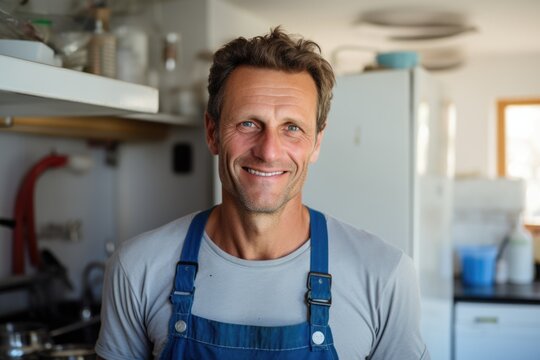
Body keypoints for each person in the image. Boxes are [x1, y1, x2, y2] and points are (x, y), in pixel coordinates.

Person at [95, 27, 430, 360]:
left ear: (316, 143)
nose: (269, 151)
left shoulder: (384, 275)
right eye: (248, 124)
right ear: (212, 133)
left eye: (292, 128)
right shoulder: (137, 268)